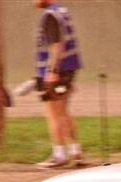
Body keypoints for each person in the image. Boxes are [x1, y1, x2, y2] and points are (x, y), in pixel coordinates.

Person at [33, 0, 84, 168]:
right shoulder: (62, 11)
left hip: (58, 70)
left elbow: (57, 45)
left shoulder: (51, 15)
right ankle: (76, 152)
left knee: (53, 113)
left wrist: (52, 71)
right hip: (68, 69)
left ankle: (59, 155)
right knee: (63, 112)